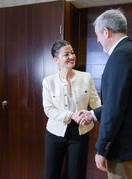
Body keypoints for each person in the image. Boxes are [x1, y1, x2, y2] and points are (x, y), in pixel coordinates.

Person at [90, 8, 132, 179]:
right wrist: (92, 114)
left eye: (97, 34)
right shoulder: (129, 51)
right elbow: (121, 102)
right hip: (128, 144)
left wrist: (101, 148)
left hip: (123, 147)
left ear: (106, 32)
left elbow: (114, 109)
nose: (97, 40)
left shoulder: (121, 56)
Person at [42, 40, 101, 179]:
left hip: (80, 132)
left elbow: (96, 103)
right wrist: (71, 115)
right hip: (55, 133)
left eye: (72, 53)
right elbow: (49, 109)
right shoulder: (48, 81)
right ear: (56, 60)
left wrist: (91, 115)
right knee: (51, 174)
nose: (72, 56)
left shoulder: (86, 77)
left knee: (76, 175)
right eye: (66, 54)